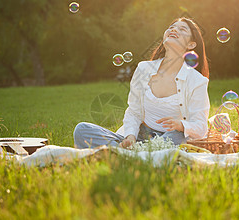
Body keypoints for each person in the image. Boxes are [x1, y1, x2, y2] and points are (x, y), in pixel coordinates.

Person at [74, 17, 210, 149]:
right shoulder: (144, 69)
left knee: (178, 135)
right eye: (171, 27)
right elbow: (134, 111)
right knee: (82, 130)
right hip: (140, 136)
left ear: (191, 44)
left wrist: (181, 125)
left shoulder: (197, 81)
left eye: (182, 29)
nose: (174, 30)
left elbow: (201, 126)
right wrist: (130, 136)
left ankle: (124, 153)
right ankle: (140, 153)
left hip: (170, 138)